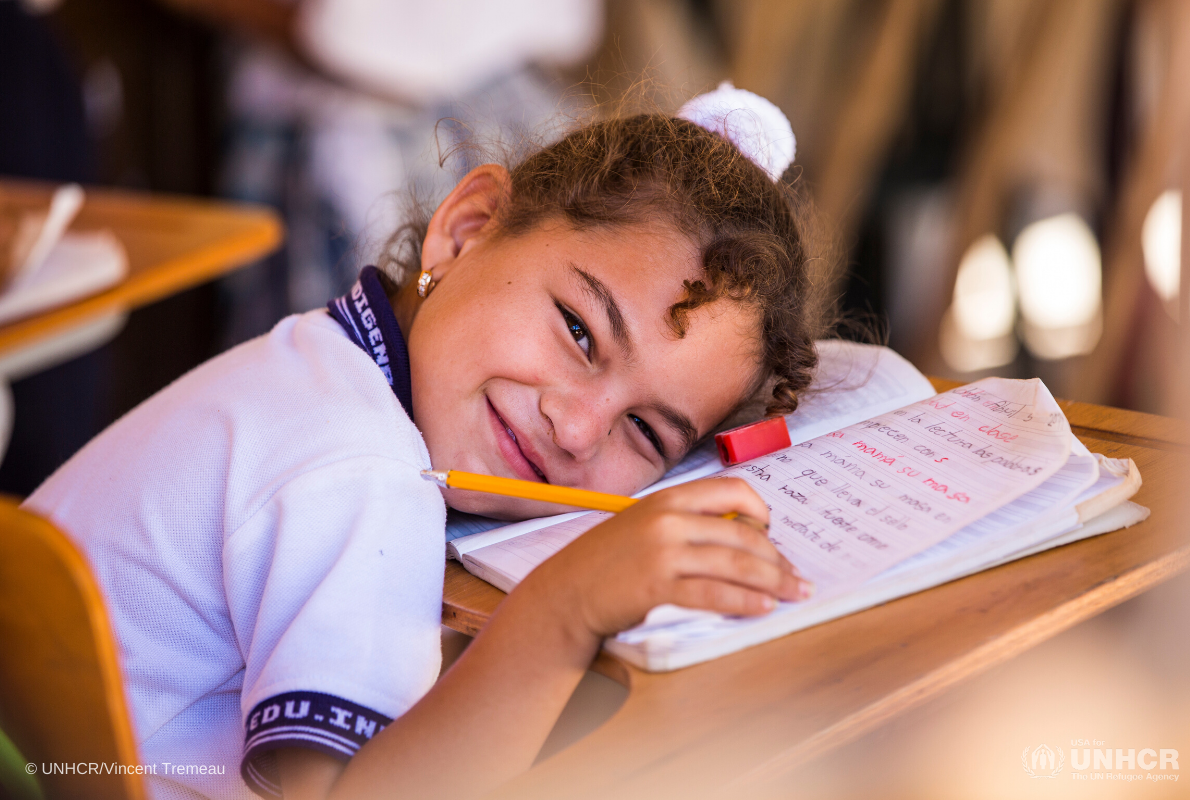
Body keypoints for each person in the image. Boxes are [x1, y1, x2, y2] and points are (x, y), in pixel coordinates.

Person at [23, 84, 837, 799]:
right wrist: (565, 609)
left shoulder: (318, 362)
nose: (578, 426)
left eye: (647, 430)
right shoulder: (359, 471)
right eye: (580, 331)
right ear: (468, 228)